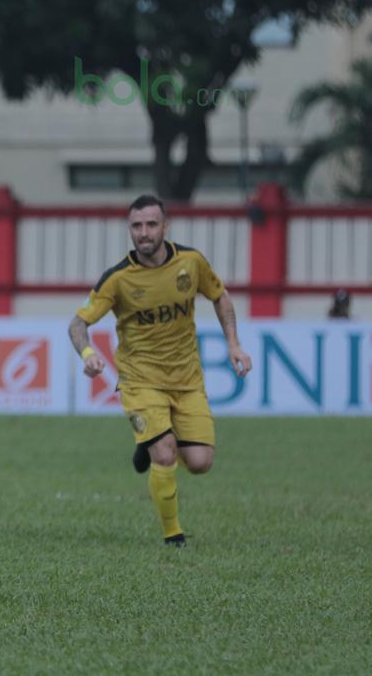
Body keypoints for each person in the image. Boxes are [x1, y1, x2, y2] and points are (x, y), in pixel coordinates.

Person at [67, 195, 251, 547]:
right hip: (140, 381)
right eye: (136, 226)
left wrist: (234, 344)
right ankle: (173, 536)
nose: (144, 232)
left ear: (166, 227)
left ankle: (146, 446)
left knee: (199, 462)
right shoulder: (118, 279)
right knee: (165, 452)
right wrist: (88, 353)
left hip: (187, 380)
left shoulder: (191, 262)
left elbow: (219, 295)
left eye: (151, 224)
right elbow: (78, 324)